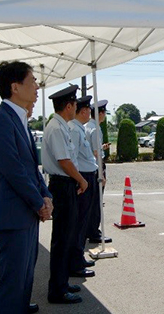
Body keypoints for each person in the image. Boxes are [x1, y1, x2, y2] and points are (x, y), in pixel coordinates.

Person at [0, 61, 53, 314]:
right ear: (15, 87)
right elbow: (13, 169)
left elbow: (30, 167)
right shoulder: (0, 120)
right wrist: (39, 203)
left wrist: (46, 195)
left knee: (26, 272)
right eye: (32, 81)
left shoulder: (19, 118)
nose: (37, 86)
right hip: (13, 214)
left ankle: (21, 306)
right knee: (12, 280)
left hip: (26, 211)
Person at [41, 85, 90, 305]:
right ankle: (57, 290)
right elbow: (64, 161)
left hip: (65, 184)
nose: (76, 109)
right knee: (62, 239)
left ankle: (61, 283)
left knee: (67, 236)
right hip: (62, 184)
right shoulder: (58, 128)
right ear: (68, 106)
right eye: (75, 105)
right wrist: (80, 179)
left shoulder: (60, 125)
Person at [68, 95, 98, 273]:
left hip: (87, 176)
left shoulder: (79, 128)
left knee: (83, 220)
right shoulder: (74, 129)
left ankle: (78, 257)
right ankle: (75, 261)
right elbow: (72, 159)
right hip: (83, 178)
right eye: (86, 110)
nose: (89, 112)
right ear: (81, 111)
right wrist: (80, 180)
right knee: (79, 222)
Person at [84, 99, 112, 244]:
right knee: (96, 202)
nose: (104, 115)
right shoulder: (95, 129)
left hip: (90, 167)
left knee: (92, 202)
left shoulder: (88, 126)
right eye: (104, 113)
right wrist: (101, 173)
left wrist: (102, 147)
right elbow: (95, 153)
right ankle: (94, 232)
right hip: (96, 167)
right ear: (100, 114)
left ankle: (90, 230)